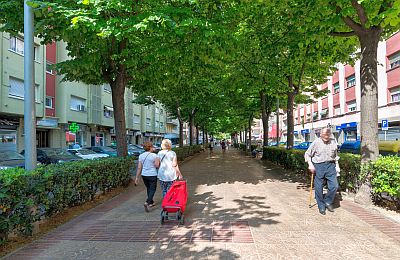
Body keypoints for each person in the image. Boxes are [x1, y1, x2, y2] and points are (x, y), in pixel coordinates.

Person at [304, 127, 340, 215]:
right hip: (319, 166)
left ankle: (328, 201)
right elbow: (307, 154)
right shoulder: (316, 142)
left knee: (334, 186)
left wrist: (337, 166)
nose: (326, 137)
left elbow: (335, 155)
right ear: (320, 134)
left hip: (330, 165)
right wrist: (310, 164)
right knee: (318, 187)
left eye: (328, 135)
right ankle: (321, 205)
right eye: (324, 135)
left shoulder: (333, 142)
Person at [135, 142, 160, 212]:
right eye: (152, 147)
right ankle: (147, 202)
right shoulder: (155, 156)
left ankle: (151, 203)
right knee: (153, 189)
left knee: (148, 188)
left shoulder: (141, 156)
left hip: (144, 175)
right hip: (152, 174)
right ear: (151, 147)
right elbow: (157, 165)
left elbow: (139, 168)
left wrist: (137, 177)